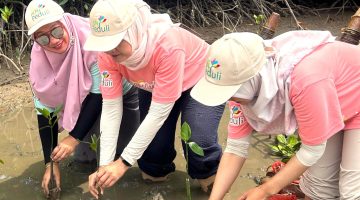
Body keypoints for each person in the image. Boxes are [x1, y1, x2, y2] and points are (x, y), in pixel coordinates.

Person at [190, 30, 360, 200]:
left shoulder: (304, 79)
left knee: (352, 192)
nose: (229, 99)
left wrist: (266, 189)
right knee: (318, 189)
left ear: (253, 78)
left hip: (350, 94)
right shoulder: (237, 91)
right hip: (331, 104)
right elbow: (235, 149)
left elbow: (312, 150)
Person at [83, 0, 225, 198]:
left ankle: (209, 180)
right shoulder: (106, 55)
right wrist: (105, 165)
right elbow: (112, 108)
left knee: (198, 140)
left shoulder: (167, 45)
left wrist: (123, 163)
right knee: (153, 156)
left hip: (199, 79)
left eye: (115, 42)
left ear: (133, 30)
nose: (110, 50)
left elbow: (159, 113)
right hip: (153, 84)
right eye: (104, 44)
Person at [25, 0, 140, 197]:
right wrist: (50, 164)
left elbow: (98, 95)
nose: (52, 41)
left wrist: (73, 138)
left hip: (118, 94)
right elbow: (45, 114)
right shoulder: (38, 62)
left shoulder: (91, 40)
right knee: (84, 162)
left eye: (56, 31)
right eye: (42, 38)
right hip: (84, 104)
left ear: (64, 22)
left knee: (119, 160)